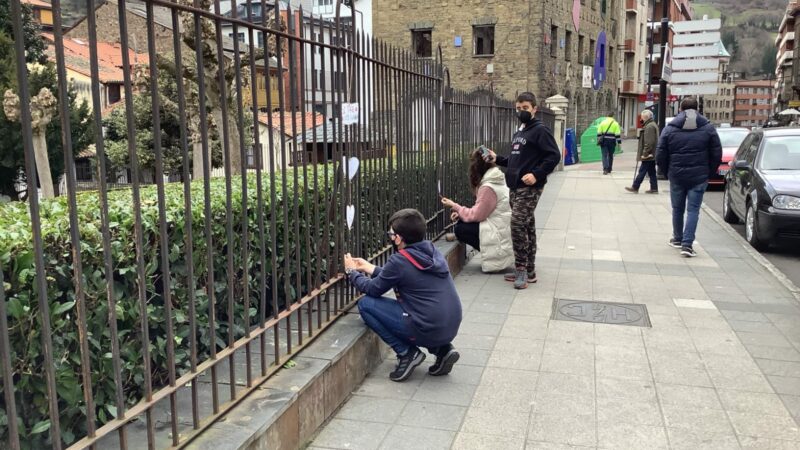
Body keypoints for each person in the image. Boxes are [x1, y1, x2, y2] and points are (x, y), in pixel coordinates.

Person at [344, 209, 462, 382]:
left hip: (428, 327)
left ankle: (407, 353)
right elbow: (403, 274)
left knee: (366, 305)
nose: (390, 237)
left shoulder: (399, 260)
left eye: (391, 234)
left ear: (398, 238)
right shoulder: (431, 251)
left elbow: (373, 289)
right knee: (424, 313)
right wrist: (370, 268)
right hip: (450, 324)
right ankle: (443, 350)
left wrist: (351, 272)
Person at [483, 92, 561, 289]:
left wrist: (536, 174)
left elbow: (553, 156)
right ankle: (530, 271)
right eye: (518, 108)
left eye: (525, 108)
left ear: (534, 108)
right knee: (527, 227)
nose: (521, 112)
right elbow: (515, 160)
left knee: (517, 224)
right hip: (515, 187)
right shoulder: (519, 133)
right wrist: (497, 159)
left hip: (530, 187)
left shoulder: (540, 130)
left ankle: (521, 269)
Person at [656, 97, 722, 258]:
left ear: (680, 109)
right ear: (697, 109)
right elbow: (716, 153)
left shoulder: (670, 128)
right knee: (693, 210)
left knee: (677, 208)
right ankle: (687, 245)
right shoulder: (708, 128)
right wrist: (709, 172)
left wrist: (667, 172)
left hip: (676, 175)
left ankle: (677, 238)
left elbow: (660, 153)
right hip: (699, 176)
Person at [441, 149, 514, 273]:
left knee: (460, 229)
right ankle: (493, 253)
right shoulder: (496, 179)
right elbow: (482, 210)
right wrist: (460, 214)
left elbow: (477, 215)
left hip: (498, 234)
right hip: (501, 228)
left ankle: (494, 254)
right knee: (463, 223)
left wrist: (455, 206)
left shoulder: (488, 187)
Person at [626, 109, 660, 194]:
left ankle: (635, 186)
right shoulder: (651, 124)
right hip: (652, 153)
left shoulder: (649, 127)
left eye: (642, 117)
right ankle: (654, 188)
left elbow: (649, 142)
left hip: (648, 154)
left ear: (645, 117)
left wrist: (645, 153)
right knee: (652, 171)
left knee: (642, 170)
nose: (641, 119)